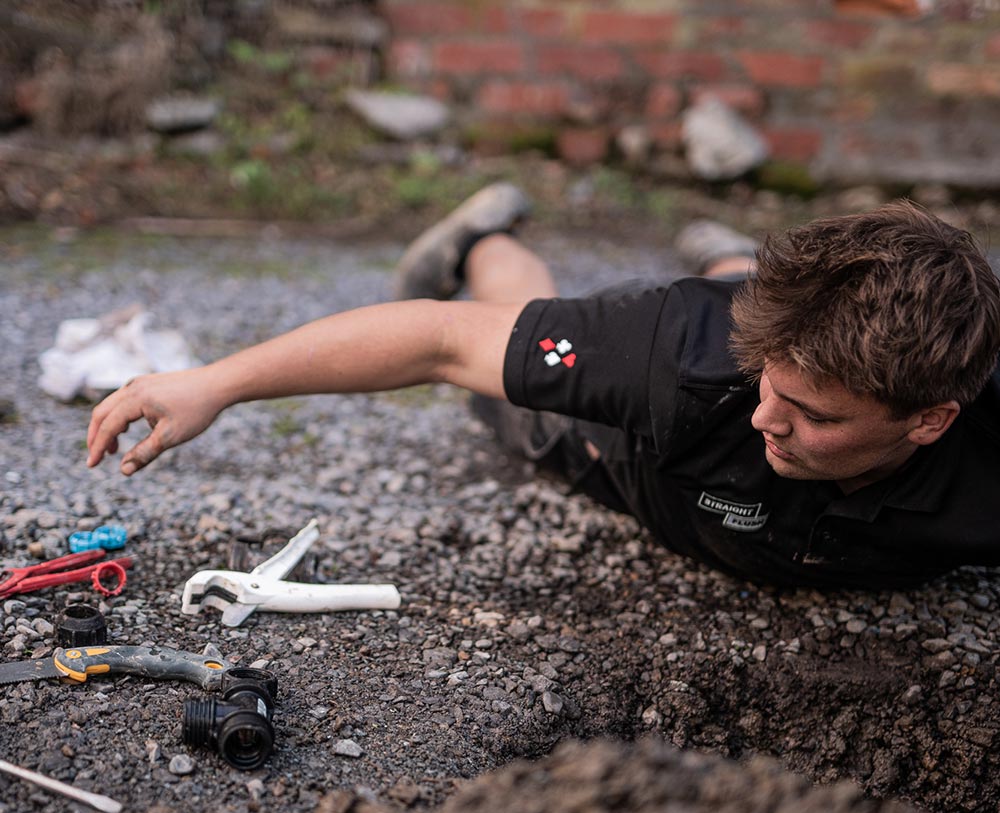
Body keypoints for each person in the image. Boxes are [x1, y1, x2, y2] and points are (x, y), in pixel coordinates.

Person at [85, 184, 1000, 589]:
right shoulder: (679, 352)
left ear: (931, 419)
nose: (767, 417)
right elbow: (444, 342)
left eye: (812, 415)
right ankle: (483, 238)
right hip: (633, 458)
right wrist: (215, 383)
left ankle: (723, 249)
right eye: (769, 383)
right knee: (522, 351)